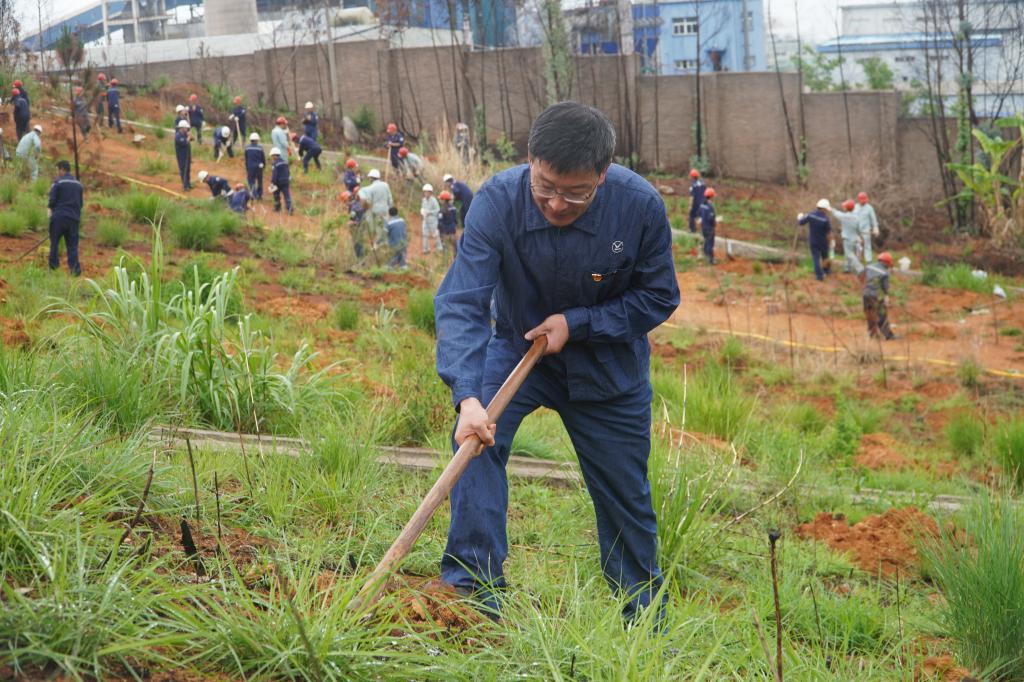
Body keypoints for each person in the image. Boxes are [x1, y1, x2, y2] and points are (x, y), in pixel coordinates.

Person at [434, 101, 680, 624]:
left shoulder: (639, 207)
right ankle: (473, 593)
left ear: (603, 174)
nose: (556, 203)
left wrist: (579, 323)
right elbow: (462, 301)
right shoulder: (497, 202)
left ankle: (641, 617)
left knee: (624, 494)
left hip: (608, 367)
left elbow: (659, 296)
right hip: (516, 348)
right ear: (530, 159)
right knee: (475, 445)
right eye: (545, 186)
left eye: (576, 193)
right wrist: (468, 397)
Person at [47, 160, 84, 276]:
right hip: (73, 219)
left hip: (59, 218)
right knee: (72, 246)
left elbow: (52, 201)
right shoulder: (78, 185)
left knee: (54, 244)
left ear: (62, 169)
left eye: (58, 170)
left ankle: (53, 268)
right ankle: (75, 270)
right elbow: (80, 204)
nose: (57, 173)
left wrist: (50, 212)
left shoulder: (58, 182)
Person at [798, 199, 833, 281]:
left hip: (813, 241)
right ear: (823, 208)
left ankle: (819, 276)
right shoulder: (825, 219)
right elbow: (829, 233)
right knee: (825, 257)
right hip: (823, 242)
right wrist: (831, 242)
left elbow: (801, 222)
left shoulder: (811, 215)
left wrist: (799, 217)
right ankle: (827, 271)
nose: (827, 211)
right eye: (826, 209)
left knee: (816, 258)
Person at [863, 252, 896, 340]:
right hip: (876, 296)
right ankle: (888, 335)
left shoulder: (869, 267)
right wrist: (886, 299)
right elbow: (885, 288)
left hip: (866, 294)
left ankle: (872, 334)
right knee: (882, 315)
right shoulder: (884, 273)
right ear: (887, 263)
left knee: (870, 314)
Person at [357, 168, 392, 244]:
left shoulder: (370, 188)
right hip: (385, 210)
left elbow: (369, 201)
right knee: (384, 227)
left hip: (376, 211)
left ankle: (375, 243)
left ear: (371, 178)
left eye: (369, 178)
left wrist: (366, 208)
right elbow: (390, 199)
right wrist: (389, 209)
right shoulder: (386, 185)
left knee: (375, 227)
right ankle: (384, 242)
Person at [833, 199, 864, 274]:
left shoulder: (845, 216)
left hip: (847, 239)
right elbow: (859, 229)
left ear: (847, 208)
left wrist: (831, 209)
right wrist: (860, 236)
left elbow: (837, 214)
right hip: (855, 238)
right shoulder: (857, 217)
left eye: (845, 206)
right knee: (848, 254)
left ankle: (860, 268)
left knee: (849, 254)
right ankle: (847, 269)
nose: (843, 207)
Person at [854, 191, 879, 263]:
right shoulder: (855, 207)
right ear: (859, 200)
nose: (863, 201)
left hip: (866, 231)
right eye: (862, 200)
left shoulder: (869, 208)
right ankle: (858, 261)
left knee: (867, 246)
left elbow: (873, 219)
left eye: (865, 200)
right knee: (858, 246)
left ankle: (869, 261)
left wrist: (875, 228)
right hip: (857, 230)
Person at [341, 189, 367, 258]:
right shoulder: (355, 204)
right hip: (359, 227)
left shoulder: (354, 207)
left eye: (344, 201)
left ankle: (361, 260)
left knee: (358, 245)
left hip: (358, 228)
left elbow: (358, 219)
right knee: (358, 244)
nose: (344, 203)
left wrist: (352, 223)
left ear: (347, 199)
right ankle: (361, 259)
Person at [269, 147, 292, 215]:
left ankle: (277, 208)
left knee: (276, 195)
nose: (272, 157)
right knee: (287, 195)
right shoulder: (285, 162)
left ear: (275, 155)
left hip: (278, 182)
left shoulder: (275, 163)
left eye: (272, 156)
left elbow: (274, 174)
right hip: (286, 181)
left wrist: (272, 183)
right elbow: (288, 172)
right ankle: (290, 209)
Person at [420, 183, 442, 254]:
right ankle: (426, 249)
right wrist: (422, 211)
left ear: (430, 192)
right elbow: (423, 208)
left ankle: (439, 248)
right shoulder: (423, 200)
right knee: (425, 234)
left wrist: (429, 212)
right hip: (425, 219)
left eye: (427, 192)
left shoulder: (434, 200)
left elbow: (437, 210)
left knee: (435, 234)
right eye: (425, 192)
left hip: (433, 220)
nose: (426, 193)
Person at [698, 187, 717, 264]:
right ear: (711, 196)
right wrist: (714, 223)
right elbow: (710, 218)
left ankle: (706, 256)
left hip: (703, 226)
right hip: (709, 227)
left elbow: (700, 214)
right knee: (710, 243)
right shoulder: (710, 206)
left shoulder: (702, 204)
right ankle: (710, 260)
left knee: (705, 241)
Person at [244, 132, 265, 200]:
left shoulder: (247, 148)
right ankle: (260, 195)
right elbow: (263, 159)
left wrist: (247, 168)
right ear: (257, 140)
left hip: (251, 167)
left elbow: (246, 159)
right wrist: (264, 166)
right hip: (259, 167)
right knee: (260, 181)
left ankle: (255, 194)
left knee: (251, 181)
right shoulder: (260, 148)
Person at [438, 189, 458, 256]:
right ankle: (456, 259)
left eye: (441, 199)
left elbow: (440, 223)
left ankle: (446, 259)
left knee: (445, 247)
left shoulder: (441, 210)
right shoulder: (454, 208)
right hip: (453, 231)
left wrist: (440, 232)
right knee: (455, 247)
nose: (440, 200)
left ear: (444, 200)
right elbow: (455, 220)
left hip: (445, 232)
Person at [174, 120, 193, 191]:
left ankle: (188, 184)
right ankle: (185, 186)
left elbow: (192, 139)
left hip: (187, 155)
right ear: (182, 128)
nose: (187, 129)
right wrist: (188, 137)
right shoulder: (178, 136)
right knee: (183, 170)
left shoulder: (185, 134)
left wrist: (190, 135)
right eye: (186, 128)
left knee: (188, 170)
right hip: (181, 156)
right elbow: (184, 142)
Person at [687, 169, 706, 233]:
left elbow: (692, 197)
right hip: (703, 202)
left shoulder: (693, 186)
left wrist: (690, 206)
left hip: (696, 204)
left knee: (691, 216)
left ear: (692, 177)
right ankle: (703, 231)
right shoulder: (702, 183)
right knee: (702, 216)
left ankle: (692, 229)